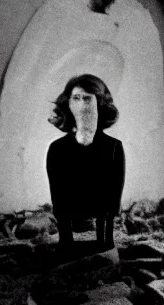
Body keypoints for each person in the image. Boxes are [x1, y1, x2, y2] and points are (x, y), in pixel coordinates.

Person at [46, 74, 125, 251]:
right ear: (69, 104)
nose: (82, 104)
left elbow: (115, 192)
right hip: (69, 204)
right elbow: (57, 193)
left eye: (87, 99)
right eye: (76, 98)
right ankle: (66, 243)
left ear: (99, 103)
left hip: (102, 207)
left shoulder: (113, 147)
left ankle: (105, 242)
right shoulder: (57, 149)